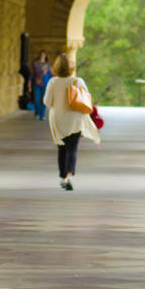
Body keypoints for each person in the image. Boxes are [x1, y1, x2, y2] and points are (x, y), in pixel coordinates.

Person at [43, 53, 100, 191]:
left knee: (61, 148)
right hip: (74, 119)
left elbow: (47, 102)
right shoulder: (78, 81)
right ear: (72, 67)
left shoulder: (53, 82)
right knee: (72, 148)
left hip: (58, 119)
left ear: (56, 67)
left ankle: (62, 177)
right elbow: (87, 101)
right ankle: (69, 176)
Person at [31, 50, 51, 120]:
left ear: (45, 56)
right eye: (41, 54)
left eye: (44, 54)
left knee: (44, 100)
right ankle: (37, 113)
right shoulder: (36, 64)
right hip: (37, 83)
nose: (42, 56)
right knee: (36, 100)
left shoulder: (48, 65)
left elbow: (51, 75)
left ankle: (42, 115)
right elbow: (32, 74)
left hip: (45, 84)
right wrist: (29, 82)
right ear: (39, 55)